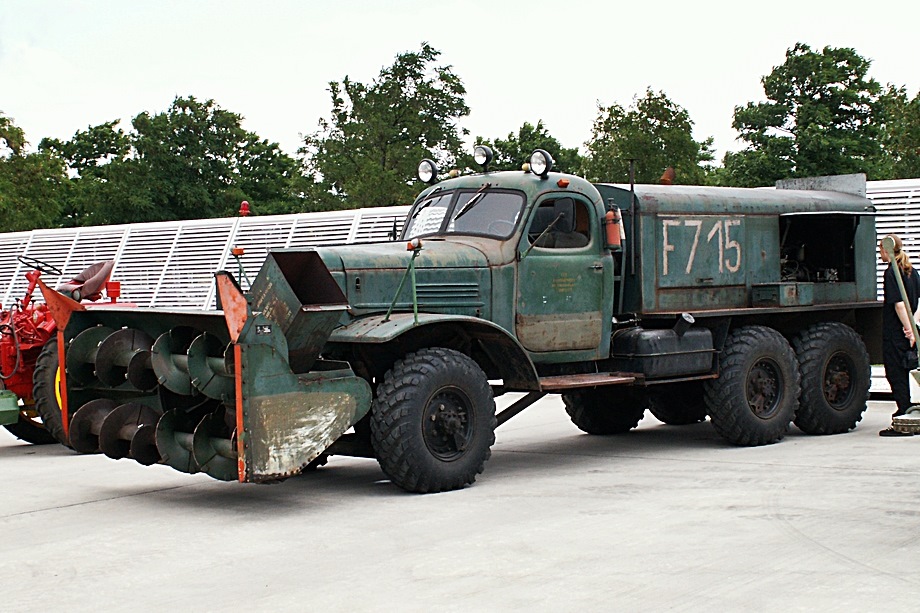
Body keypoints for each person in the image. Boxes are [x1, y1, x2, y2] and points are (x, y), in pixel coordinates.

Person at [879, 234, 920, 436]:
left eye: (880, 250)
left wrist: (908, 329)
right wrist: (915, 326)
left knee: (895, 373)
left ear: (886, 250)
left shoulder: (891, 273)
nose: (880, 254)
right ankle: (905, 409)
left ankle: (904, 412)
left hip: (897, 332)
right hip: (910, 329)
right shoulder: (912, 271)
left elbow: (899, 305)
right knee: (908, 369)